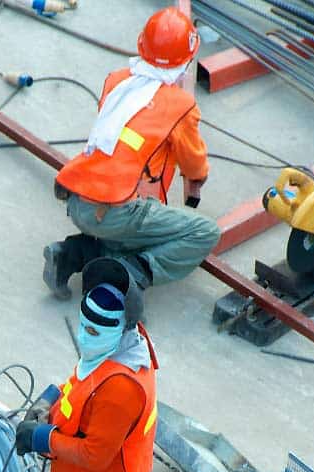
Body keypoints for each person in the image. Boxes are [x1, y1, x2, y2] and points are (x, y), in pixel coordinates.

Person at [43, 7, 221, 300]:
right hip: (115, 211)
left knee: (134, 225)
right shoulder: (181, 105)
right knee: (204, 232)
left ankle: (70, 255)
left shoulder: (117, 80)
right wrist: (198, 178)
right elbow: (193, 165)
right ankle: (129, 273)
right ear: (186, 60)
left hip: (76, 197)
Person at [16, 258, 158, 472]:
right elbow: (82, 387)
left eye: (92, 331)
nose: (83, 337)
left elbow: (95, 456)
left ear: (121, 328)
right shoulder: (113, 348)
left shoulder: (121, 389)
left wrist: (41, 438)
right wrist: (50, 398)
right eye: (82, 325)